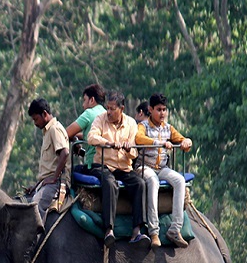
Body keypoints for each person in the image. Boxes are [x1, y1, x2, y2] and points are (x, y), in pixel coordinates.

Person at [86, 91, 149, 248]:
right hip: (103, 164)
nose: (108, 112)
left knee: (140, 183)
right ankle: (109, 229)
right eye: (107, 108)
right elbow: (91, 137)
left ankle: (137, 230)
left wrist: (128, 149)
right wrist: (109, 143)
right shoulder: (100, 119)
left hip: (123, 166)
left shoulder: (131, 124)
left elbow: (134, 153)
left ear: (121, 109)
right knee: (110, 183)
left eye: (112, 109)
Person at [135, 93, 193, 248]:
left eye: (164, 110)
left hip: (161, 168)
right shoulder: (143, 126)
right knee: (153, 182)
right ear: (150, 109)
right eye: (159, 110)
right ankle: (153, 231)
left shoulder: (168, 128)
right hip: (144, 167)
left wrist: (187, 142)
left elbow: (181, 139)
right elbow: (139, 139)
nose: (162, 113)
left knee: (180, 180)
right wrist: (158, 142)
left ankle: (175, 229)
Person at [26, 98, 71, 222]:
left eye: (36, 119)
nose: (35, 123)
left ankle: (35, 241)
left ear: (45, 114)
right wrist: (35, 186)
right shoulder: (47, 132)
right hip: (47, 181)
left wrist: (55, 178)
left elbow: (64, 153)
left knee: (34, 208)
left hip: (56, 183)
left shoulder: (55, 129)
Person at [66, 84, 106, 174]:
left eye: (84, 100)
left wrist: (74, 140)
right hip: (108, 164)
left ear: (92, 100)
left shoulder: (89, 113)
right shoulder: (107, 113)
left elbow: (65, 134)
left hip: (92, 164)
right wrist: (77, 137)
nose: (83, 105)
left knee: (71, 172)